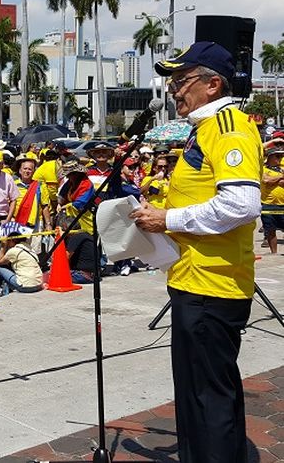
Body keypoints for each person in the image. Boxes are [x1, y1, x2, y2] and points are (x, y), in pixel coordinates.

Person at [131, 41, 262, 463]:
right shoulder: (205, 128)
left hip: (213, 286)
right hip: (194, 279)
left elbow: (241, 206)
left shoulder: (228, 128)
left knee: (209, 398)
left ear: (213, 84)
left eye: (181, 81)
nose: (174, 90)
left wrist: (167, 220)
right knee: (199, 394)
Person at [0, 228, 43, 296]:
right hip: (38, 285)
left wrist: (3, 246)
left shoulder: (14, 250)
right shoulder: (29, 248)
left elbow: (0, 262)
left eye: (8, 241)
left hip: (26, 286)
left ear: (11, 240)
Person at [13, 156, 51, 231]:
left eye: (30, 169)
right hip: (16, 223)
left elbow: (45, 207)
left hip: (35, 226)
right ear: (20, 170)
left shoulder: (40, 186)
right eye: (25, 168)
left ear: (33, 171)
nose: (27, 171)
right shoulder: (13, 185)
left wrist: (48, 224)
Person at [260, 147, 284, 254]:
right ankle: (274, 253)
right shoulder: (263, 169)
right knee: (270, 230)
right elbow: (266, 180)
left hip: (282, 205)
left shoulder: (282, 169)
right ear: (269, 157)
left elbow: (274, 182)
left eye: (281, 156)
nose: (280, 158)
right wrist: (281, 177)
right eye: (277, 156)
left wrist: (273, 180)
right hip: (268, 205)